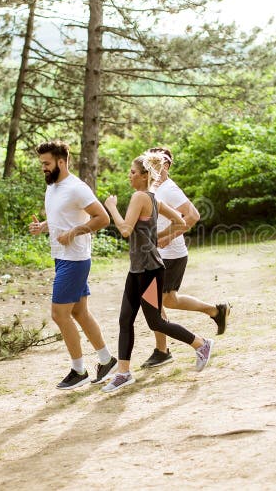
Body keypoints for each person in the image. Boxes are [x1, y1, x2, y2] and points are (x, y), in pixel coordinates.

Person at [101, 152, 215, 393]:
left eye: (132, 173)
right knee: (126, 319)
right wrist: (155, 239)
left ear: (144, 176)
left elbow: (124, 229)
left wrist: (111, 207)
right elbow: (181, 222)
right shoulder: (154, 199)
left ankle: (201, 344)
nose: (129, 176)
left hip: (150, 271)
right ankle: (123, 373)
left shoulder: (140, 197)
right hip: (139, 269)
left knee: (155, 320)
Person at [29, 141, 118, 389]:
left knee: (59, 314)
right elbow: (62, 215)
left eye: (46, 164)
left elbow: (103, 218)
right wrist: (44, 226)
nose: (43, 168)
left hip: (74, 260)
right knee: (79, 312)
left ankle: (79, 371)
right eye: (42, 164)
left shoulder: (77, 188)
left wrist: (75, 232)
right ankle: (107, 360)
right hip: (61, 258)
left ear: (61, 161)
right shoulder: (53, 186)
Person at [139, 147, 231, 369]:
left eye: (154, 163)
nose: (148, 167)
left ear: (166, 166)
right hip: (162, 254)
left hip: (170, 255)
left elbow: (193, 215)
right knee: (167, 300)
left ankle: (163, 351)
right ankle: (215, 310)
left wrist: (169, 236)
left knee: (154, 300)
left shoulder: (169, 189)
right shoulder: (153, 188)